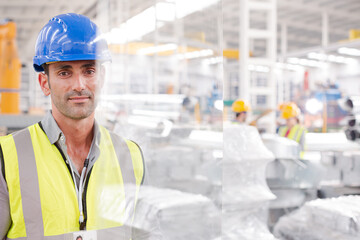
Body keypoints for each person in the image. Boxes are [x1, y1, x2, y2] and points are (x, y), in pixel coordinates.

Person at [0, 13, 146, 239]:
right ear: (44, 83)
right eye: (65, 72)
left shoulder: (130, 156)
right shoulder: (7, 157)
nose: (79, 85)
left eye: (89, 71)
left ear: (102, 77)